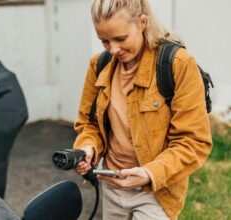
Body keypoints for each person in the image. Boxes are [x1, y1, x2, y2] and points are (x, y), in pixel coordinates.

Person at [73, 0, 213, 219]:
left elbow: (193, 142)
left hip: (156, 192)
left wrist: (149, 173)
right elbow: (89, 124)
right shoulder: (98, 66)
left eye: (120, 39)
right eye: (104, 41)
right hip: (112, 187)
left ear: (142, 23)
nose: (113, 49)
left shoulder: (178, 64)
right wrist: (87, 148)